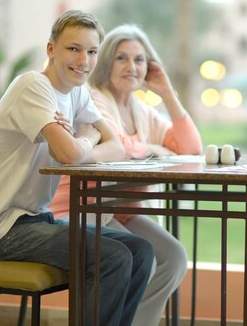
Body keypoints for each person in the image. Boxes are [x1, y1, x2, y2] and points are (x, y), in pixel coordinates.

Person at [0, 10, 154, 326]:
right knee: (112, 258)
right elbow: (67, 154)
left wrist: (82, 137)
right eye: (73, 48)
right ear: (51, 49)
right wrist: (86, 139)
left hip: (37, 219)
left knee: (140, 250)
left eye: (92, 51)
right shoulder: (33, 86)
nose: (84, 60)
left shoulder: (76, 92)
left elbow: (115, 145)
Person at [50, 23, 202, 326]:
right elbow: (117, 146)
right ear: (106, 61)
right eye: (122, 58)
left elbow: (191, 148)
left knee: (174, 257)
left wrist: (168, 94)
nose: (132, 66)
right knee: (137, 256)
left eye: (139, 59)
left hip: (118, 207)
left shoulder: (140, 109)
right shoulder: (93, 98)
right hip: (81, 207)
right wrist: (154, 149)